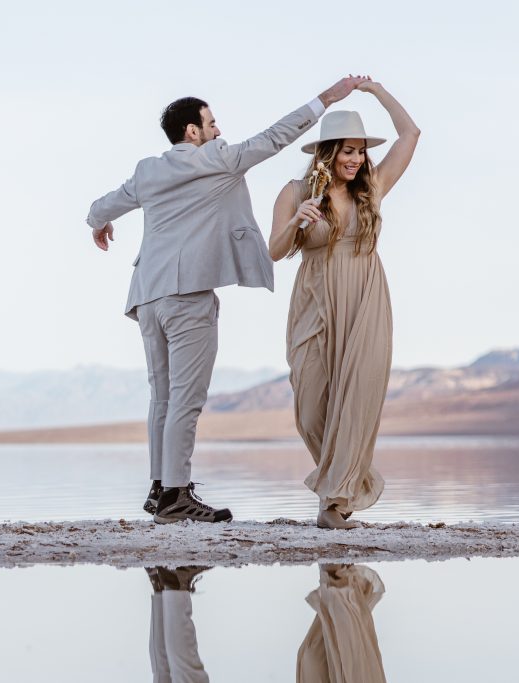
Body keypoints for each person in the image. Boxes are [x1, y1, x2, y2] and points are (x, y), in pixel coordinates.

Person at [86, 76, 369, 524]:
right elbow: (276, 137)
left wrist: (99, 223)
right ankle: (176, 495)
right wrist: (326, 99)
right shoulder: (218, 159)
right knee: (186, 399)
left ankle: (160, 488)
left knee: (161, 397)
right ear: (192, 131)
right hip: (187, 296)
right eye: (211, 123)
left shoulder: (148, 170)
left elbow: (101, 207)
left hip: (146, 296)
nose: (219, 129)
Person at [268, 79, 420, 529]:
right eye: (348, 151)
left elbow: (410, 134)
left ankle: (334, 502)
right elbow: (273, 251)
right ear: (327, 152)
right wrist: (296, 222)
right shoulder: (296, 192)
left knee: (355, 401)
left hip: (365, 300)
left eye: (361, 151)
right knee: (310, 405)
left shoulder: (371, 189)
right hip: (314, 299)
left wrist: (377, 92)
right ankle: (345, 481)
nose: (356, 159)